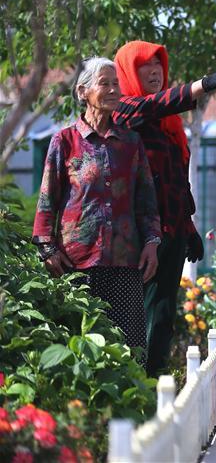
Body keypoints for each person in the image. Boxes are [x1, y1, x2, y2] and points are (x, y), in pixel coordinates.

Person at [113, 40, 216, 377]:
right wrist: (205, 84)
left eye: (158, 65)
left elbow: (177, 184)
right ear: (127, 70)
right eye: (145, 66)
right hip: (136, 237)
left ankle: (151, 384)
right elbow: (157, 104)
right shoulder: (123, 111)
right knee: (131, 315)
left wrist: (189, 228)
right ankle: (128, 384)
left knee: (164, 313)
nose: (155, 71)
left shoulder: (170, 127)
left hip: (171, 233)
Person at [32, 57, 162, 359]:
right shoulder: (64, 141)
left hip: (124, 262)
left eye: (116, 83)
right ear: (83, 91)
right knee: (77, 348)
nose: (115, 89)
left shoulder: (131, 143)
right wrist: (47, 250)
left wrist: (152, 243)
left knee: (128, 350)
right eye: (105, 83)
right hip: (76, 264)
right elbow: (47, 200)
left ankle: (132, 406)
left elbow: (146, 202)